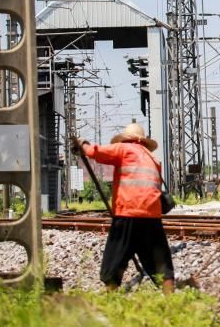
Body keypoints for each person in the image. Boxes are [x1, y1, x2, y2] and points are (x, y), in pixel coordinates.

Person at [75, 122, 176, 293]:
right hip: (152, 216)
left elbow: (94, 152)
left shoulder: (124, 149)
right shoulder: (152, 158)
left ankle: (111, 299)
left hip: (127, 213)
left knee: (113, 263)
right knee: (161, 263)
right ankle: (173, 301)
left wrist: (82, 143)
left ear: (127, 139)